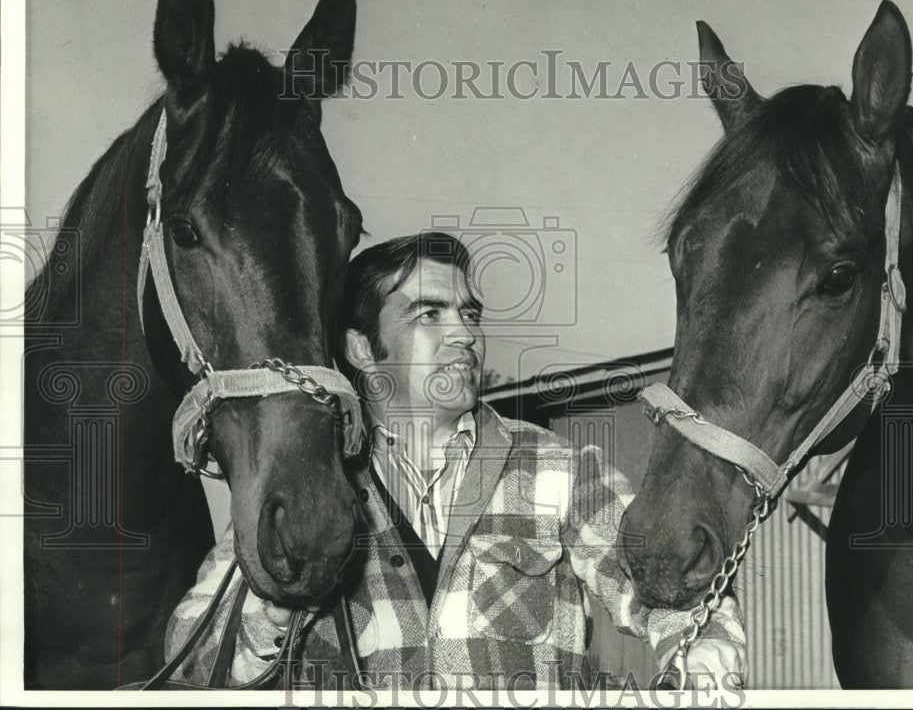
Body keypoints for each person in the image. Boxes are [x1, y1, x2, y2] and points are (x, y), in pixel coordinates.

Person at [165, 232, 746, 691]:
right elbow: (195, 660)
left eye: (469, 315)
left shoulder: (558, 471)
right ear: (364, 350)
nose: (465, 335)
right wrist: (282, 586)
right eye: (430, 315)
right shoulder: (308, 490)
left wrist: (703, 646)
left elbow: (665, 580)